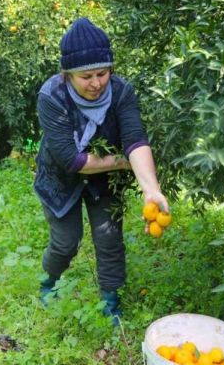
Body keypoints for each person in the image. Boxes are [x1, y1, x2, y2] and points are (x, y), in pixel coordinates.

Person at [34, 17, 169, 325]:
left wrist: (151, 189)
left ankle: (110, 300)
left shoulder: (121, 92)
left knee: (109, 239)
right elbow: (71, 159)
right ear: (68, 74)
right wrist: (123, 163)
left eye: (102, 73)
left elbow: (135, 138)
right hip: (60, 179)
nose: (96, 83)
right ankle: (49, 281)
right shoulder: (51, 96)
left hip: (104, 181)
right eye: (86, 76)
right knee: (66, 242)